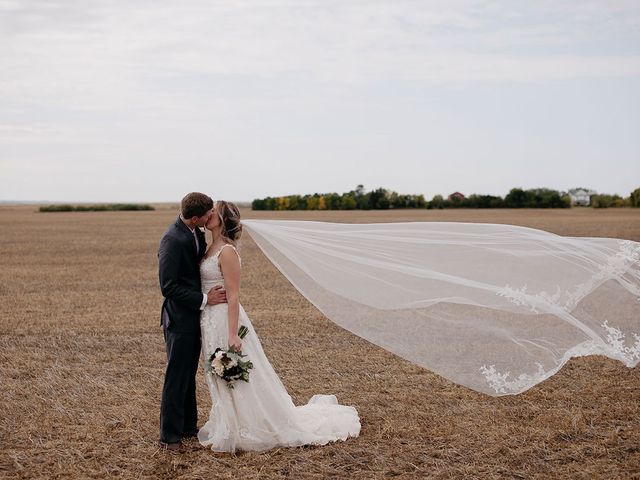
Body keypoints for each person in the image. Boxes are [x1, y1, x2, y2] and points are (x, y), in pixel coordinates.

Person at [198, 201, 361, 453]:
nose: (208, 216)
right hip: (209, 319)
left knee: (232, 371)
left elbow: (234, 296)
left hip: (224, 320)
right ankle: (230, 422)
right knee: (218, 372)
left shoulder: (227, 252)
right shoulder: (210, 247)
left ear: (222, 219)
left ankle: (249, 425)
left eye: (213, 213)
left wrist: (232, 333)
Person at [158, 192, 227, 450]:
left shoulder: (194, 232)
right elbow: (168, 286)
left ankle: (187, 426)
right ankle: (169, 436)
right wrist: (205, 298)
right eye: (208, 214)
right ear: (196, 217)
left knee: (187, 375)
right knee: (176, 377)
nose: (211, 216)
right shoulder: (172, 240)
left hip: (194, 317)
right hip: (178, 319)